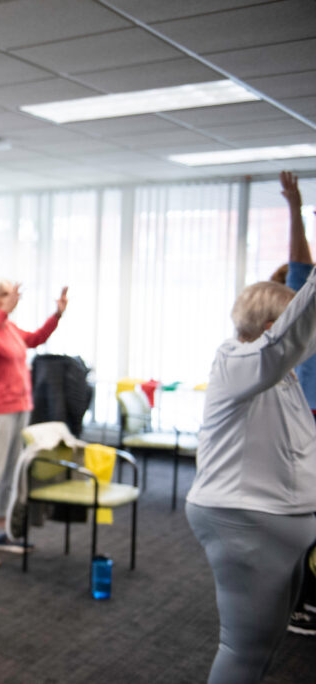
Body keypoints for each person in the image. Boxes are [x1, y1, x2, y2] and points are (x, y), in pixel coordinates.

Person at [185, 272, 316, 682]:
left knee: (263, 645)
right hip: (242, 518)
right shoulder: (234, 360)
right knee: (243, 650)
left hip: (276, 521)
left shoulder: (282, 375)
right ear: (269, 328)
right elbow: (283, 344)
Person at [0, 277, 68, 569]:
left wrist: (56, 315)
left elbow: (35, 339)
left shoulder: (7, 326)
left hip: (20, 406)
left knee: (9, 473)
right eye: (6, 294)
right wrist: (2, 313)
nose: (13, 297)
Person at [279, 169, 316, 637]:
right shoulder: (307, 295)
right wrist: (293, 209)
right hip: (309, 417)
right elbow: (300, 262)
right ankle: (301, 602)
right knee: (307, 517)